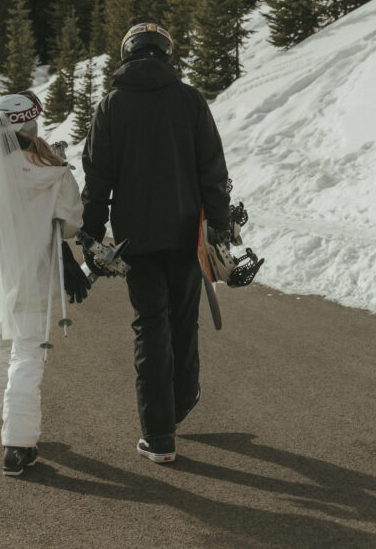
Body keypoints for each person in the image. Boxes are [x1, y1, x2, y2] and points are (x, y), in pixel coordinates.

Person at [81, 23, 231, 464]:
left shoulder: (111, 106)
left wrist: (92, 235)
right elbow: (213, 169)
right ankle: (182, 399)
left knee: (150, 326)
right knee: (184, 321)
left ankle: (159, 435)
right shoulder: (189, 100)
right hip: (186, 237)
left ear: (126, 54)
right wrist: (218, 225)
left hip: (136, 240)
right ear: (166, 53)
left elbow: (97, 178)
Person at [0, 89, 90, 477]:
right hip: (35, 271)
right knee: (28, 353)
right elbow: (71, 222)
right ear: (31, 126)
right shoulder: (53, 171)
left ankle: (6, 416)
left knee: (0, 341)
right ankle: (17, 441)